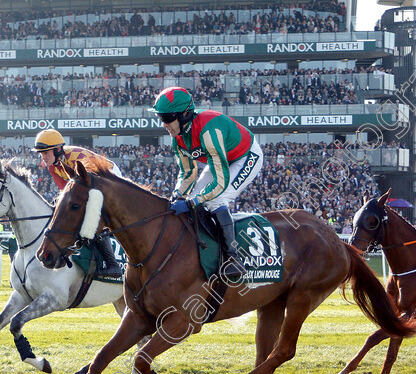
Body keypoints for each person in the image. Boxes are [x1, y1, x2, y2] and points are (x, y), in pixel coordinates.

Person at [148, 86, 264, 280]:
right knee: (194, 199)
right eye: (161, 118)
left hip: (246, 156)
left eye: (167, 118)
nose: (164, 124)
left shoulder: (209, 130)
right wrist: (177, 196)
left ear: (184, 114)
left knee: (213, 200)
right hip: (221, 160)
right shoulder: (178, 139)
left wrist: (191, 202)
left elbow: (220, 182)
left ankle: (232, 259)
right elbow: (188, 172)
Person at [32, 128, 122, 276]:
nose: (43, 157)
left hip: (108, 177)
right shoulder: (52, 166)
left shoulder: (78, 158)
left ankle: (113, 264)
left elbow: (91, 188)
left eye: (46, 152)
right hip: (88, 184)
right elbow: (65, 192)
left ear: (58, 149)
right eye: (41, 153)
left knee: (91, 218)